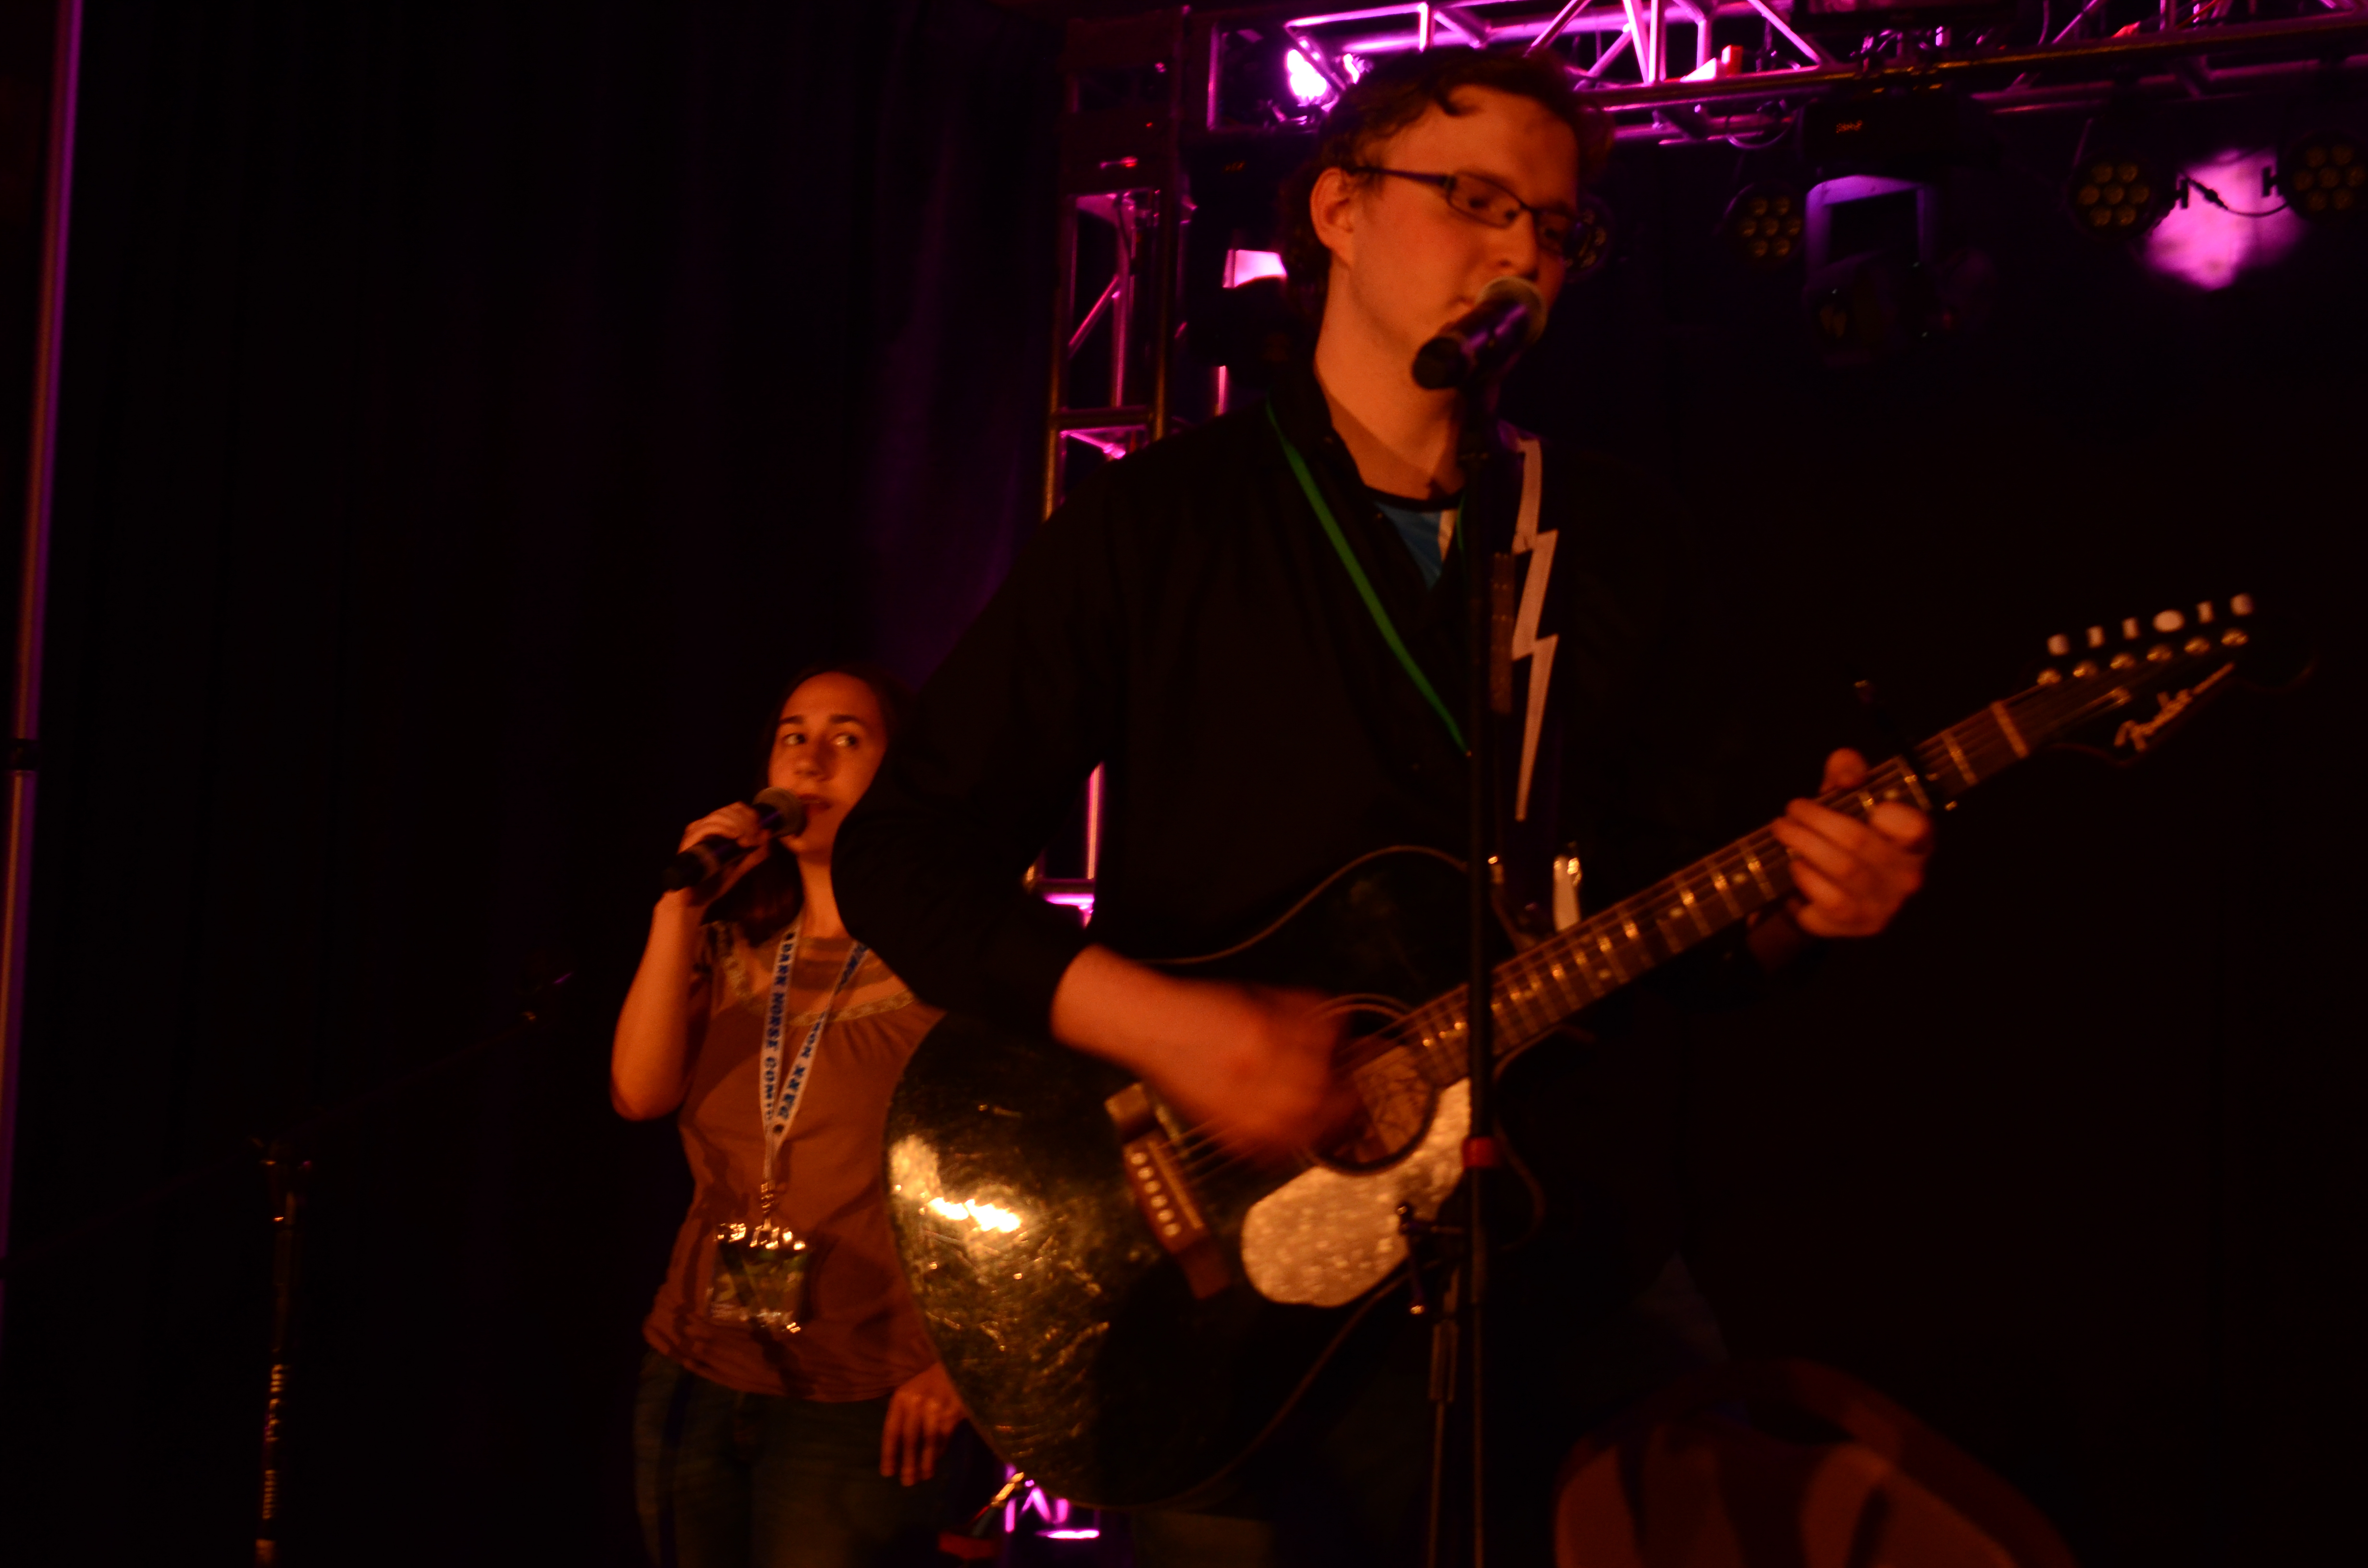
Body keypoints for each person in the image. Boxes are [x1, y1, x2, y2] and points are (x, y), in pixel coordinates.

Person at [836, 47, 1931, 1568]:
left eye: (1556, 227)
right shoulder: (1161, 524)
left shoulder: (1619, 537)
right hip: (1228, 1302)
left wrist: (1808, 911)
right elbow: (903, 853)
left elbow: (1672, 919)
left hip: (1563, 1268)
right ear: (1339, 210)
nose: (1522, 251)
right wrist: (1172, 1029)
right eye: (1476, 200)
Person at [613, 664, 967, 1568]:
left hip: (859, 1397)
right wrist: (677, 908)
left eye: (848, 739)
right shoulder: (727, 950)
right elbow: (639, 1094)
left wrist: (963, 1367)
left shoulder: (951, 967)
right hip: (691, 1366)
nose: (810, 760)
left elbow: (1033, 1185)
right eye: (792, 736)